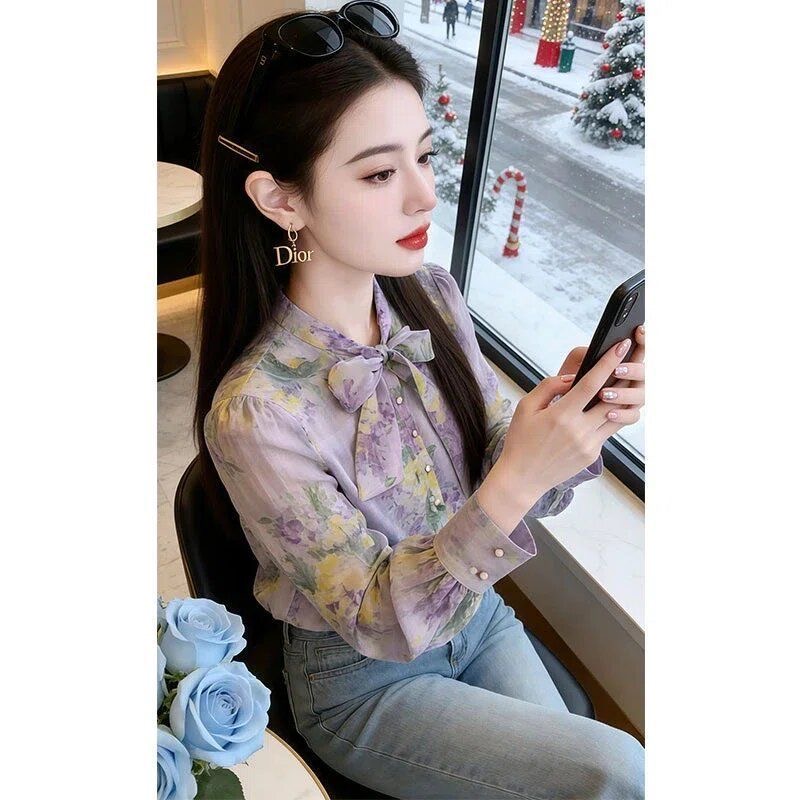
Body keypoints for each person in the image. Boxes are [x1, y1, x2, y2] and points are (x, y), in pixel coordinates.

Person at [194, 3, 646, 798]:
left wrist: (577, 419)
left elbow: (502, 462)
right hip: (364, 682)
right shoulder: (256, 412)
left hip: (477, 615)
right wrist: (518, 476)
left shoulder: (431, 295)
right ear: (280, 199)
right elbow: (377, 618)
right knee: (619, 771)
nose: (425, 195)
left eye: (425, 156)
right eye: (378, 173)